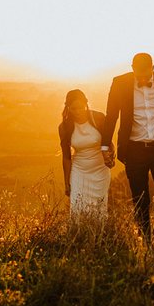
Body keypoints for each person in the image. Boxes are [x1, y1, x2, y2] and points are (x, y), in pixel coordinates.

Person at [101, 52, 154, 242]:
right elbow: (111, 115)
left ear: (153, 68)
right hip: (134, 149)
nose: (143, 78)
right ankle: (146, 240)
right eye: (139, 75)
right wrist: (105, 146)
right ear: (132, 69)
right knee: (140, 200)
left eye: (147, 74)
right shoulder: (119, 83)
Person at [58, 89, 113, 218]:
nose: (77, 112)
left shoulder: (98, 118)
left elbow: (109, 143)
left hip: (100, 170)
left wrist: (110, 156)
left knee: (99, 209)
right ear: (68, 108)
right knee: (78, 208)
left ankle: (98, 237)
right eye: (73, 109)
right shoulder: (64, 127)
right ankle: (79, 236)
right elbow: (66, 157)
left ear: (86, 104)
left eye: (80, 108)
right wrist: (66, 182)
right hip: (79, 170)